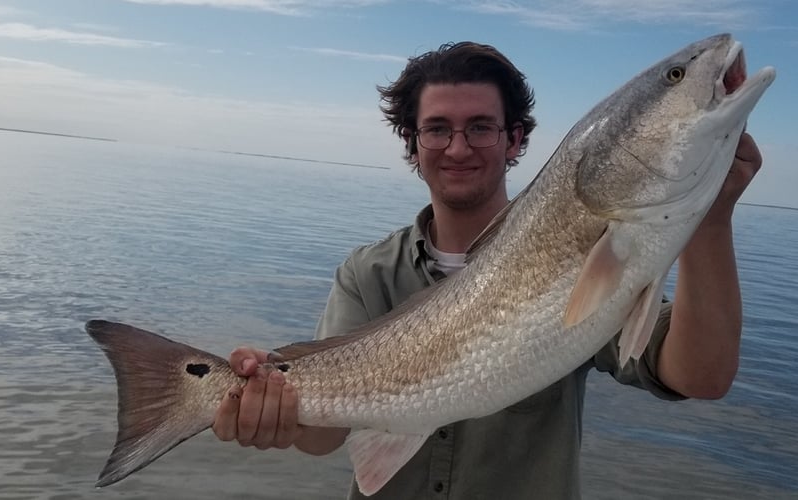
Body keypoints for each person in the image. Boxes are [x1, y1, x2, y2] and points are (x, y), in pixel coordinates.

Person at [211, 41, 762, 499]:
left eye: (480, 127)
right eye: (436, 129)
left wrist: (711, 220)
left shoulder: (592, 247)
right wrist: (270, 409)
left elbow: (701, 376)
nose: (458, 147)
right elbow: (323, 440)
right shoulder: (368, 272)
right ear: (413, 143)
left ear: (515, 139)